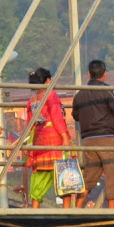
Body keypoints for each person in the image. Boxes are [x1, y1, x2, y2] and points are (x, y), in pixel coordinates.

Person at [71, 58, 114, 208]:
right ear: (104, 75)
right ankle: (112, 208)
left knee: (90, 175)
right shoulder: (106, 91)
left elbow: (75, 115)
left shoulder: (79, 95)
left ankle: (77, 207)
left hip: (88, 140)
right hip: (106, 138)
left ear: (89, 74)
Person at [24, 67, 73, 208]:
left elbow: (29, 125)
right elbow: (57, 117)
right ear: (48, 81)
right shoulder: (51, 95)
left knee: (39, 178)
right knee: (64, 177)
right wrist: (64, 136)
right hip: (55, 141)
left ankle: (34, 210)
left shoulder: (31, 101)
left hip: (40, 143)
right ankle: (67, 212)